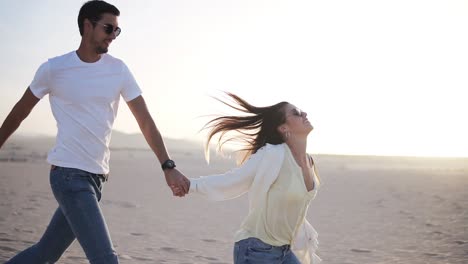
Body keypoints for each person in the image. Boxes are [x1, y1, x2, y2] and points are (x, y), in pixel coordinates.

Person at [0, 1, 189, 263]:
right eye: (108, 28)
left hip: (96, 179)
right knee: (104, 258)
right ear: (87, 25)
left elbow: (145, 120)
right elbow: (20, 112)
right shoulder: (54, 69)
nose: (113, 36)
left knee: (45, 253)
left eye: (117, 31)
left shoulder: (118, 69)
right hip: (68, 175)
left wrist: (167, 165)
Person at [176, 92, 322, 263]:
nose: (304, 114)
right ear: (283, 128)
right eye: (296, 113)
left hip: (285, 251)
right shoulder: (273, 155)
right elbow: (234, 179)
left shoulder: (310, 162)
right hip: (257, 250)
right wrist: (191, 184)